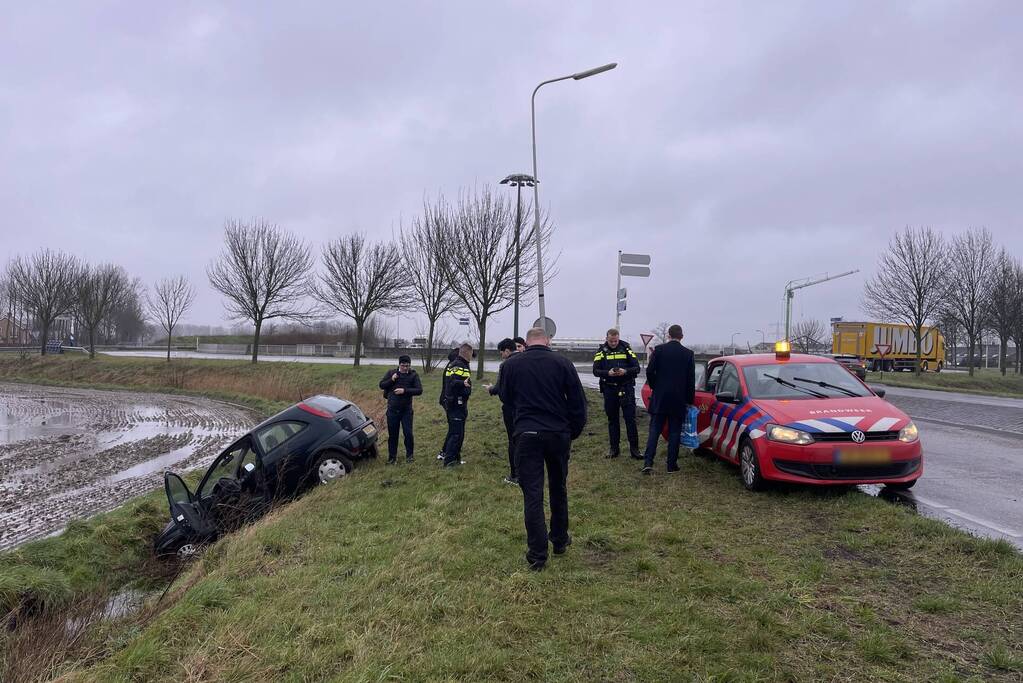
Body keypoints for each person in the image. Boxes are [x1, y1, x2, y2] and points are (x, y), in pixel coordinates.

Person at [499, 327, 587, 571]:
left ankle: (538, 554)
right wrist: (573, 431)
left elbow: (505, 397)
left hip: (527, 433)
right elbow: (578, 403)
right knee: (558, 487)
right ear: (547, 341)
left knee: (533, 494)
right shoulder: (563, 363)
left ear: (526, 343)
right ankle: (559, 539)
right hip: (558, 434)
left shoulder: (511, 365)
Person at [642, 324, 696, 474]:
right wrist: (689, 400)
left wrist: (655, 387)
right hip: (678, 399)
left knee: (654, 430)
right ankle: (671, 465)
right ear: (682, 336)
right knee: (674, 432)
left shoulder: (659, 350)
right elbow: (691, 379)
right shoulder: (688, 354)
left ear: (668, 335)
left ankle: (648, 462)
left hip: (660, 397)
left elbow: (649, 371)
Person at [592, 328, 641, 459]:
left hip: (626, 388)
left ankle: (635, 451)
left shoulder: (626, 348)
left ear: (618, 338)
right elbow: (595, 371)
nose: (613, 343)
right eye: (611, 341)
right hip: (609, 389)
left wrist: (625, 371)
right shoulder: (601, 351)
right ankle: (614, 450)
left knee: (630, 420)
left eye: (615, 340)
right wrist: (608, 373)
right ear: (606, 338)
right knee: (612, 420)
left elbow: (637, 368)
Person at [486, 338, 519, 484]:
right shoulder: (527, 360)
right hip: (527, 408)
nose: (501, 356)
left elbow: (501, 387)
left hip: (511, 408)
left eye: (501, 353)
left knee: (513, 440)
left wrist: (491, 389)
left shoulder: (505, 364)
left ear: (507, 350)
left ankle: (515, 475)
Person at [378, 355, 423, 464]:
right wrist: (392, 380)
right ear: (399, 364)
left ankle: (410, 456)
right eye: (403, 365)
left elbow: (419, 390)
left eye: (407, 366)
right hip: (392, 410)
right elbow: (381, 385)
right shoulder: (391, 373)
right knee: (393, 435)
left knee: (408, 433)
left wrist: (405, 390)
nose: (405, 368)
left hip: (406, 410)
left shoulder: (413, 375)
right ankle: (392, 458)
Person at [440, 343, 473, 467]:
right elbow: (453, 382)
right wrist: (463, 384)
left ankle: (457, 459)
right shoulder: (457, 365)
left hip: (461, 404)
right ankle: (449, 461)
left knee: (460, 433)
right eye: (471, 353)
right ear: (467, 352)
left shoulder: (462, 364)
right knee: (455, 434)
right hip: (455, 404)